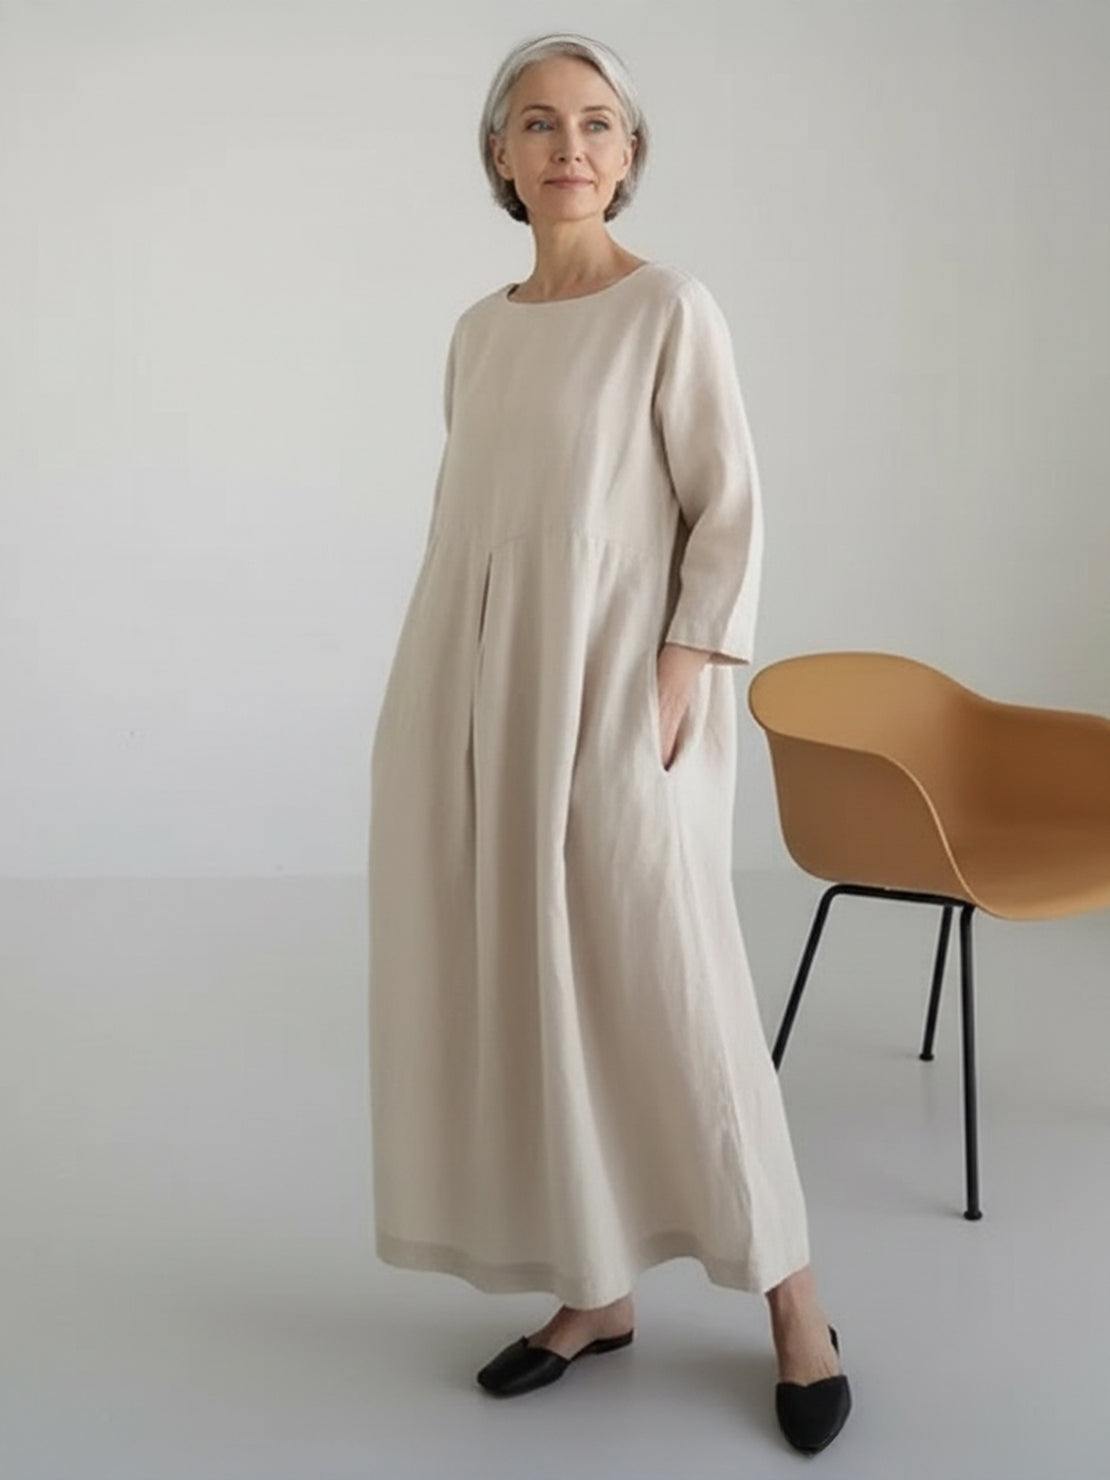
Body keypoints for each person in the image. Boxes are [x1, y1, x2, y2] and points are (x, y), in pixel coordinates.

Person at [368, 31, 852, 1454]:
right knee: (535, 984)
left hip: (627, 696)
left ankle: (796, 1308)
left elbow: (727, 512)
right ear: (500, 156)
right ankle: (595, 1292)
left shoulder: (668, 310)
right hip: (477, 695)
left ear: (628, 154)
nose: (567, 145)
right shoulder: (478, 333)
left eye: (594, 122)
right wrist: (440, 708)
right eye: (537, 123)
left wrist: (673, 682)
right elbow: (475, 535)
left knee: (676, 988)